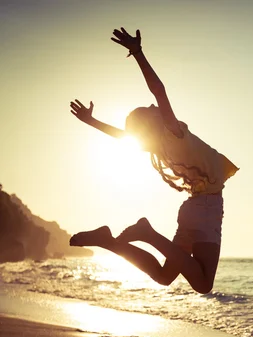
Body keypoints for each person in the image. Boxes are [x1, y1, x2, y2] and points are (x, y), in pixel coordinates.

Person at [69, 28, 238, 294]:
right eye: (151, 110)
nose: (155, 106)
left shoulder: (159, 147)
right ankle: (148, 234)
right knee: (203, 284)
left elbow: (124, 136)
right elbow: (159, 91)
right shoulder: (174, 135)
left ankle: (108, 241)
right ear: (153, 122)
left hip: (196, 208)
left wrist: (92, 121)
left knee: (163, 276)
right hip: (206, 209)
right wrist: (137, 53)